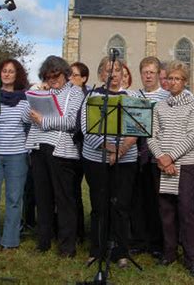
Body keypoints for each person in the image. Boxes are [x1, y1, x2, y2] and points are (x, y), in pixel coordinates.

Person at [23, 55, 84, 257]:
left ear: (65, 74)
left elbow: (70, 122)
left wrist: (44, 121)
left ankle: (67, 246)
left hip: (62, 150)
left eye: (56, 76)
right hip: (39, 147)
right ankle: (43, 242)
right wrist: (34, 95)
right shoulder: (41, 91)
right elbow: (25, 117)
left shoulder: (74, 93)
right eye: (49, 77)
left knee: (64, 198)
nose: (53, 80)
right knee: (43, 197)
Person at [81, 56, 138, 268]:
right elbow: (87, 128)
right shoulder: (92, 97)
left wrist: (121, 150)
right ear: (101, 74)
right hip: (96, 159)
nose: (113, 74)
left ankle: (121, 251)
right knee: (99, 205)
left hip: (126, 159)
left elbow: (137, 129)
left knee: (122, 206)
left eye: (117, 70)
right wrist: (110, 148)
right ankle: (97, 250)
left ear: (123, 74)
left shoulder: (132, 97)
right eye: (108, 70)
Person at [147, 60, 194, 277]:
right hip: (162, 163)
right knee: (166, 210)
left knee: (186, 210)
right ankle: (169, 253)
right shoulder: (160, 106)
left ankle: (192, 258)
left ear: (185, 81)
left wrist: (170, 157)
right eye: (169, 78)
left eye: (177, 78)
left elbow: (192, 136)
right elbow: (152, 135)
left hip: (185, 164)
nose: (173, 82)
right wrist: (161, 157)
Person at [0, 59, 30, 249]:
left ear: (17, 75)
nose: (7, 74)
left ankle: (10, 240)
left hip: (17, 156)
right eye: (4, 71)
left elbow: (27, 123)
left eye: (11, 71)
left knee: (14, 199)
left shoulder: (25, 98)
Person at [129, 56, 167, 257]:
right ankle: (139, 239)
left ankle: (157, 242)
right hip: (135, 152)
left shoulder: (166, 96)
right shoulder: (134, 95)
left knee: (156, 200)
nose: (148, 76)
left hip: (157, 155)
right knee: (138, 199)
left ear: (158, 74)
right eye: (145, 72)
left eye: (152, 72)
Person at [69, 61, 90, 243]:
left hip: (86, 149)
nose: (71, 79)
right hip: (70, 150)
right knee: (72, 191)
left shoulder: (88, 96)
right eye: (69, 75)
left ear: (83, 79)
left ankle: (82, 231)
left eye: (75, 75)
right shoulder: (65, 95)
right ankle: (75, 230)